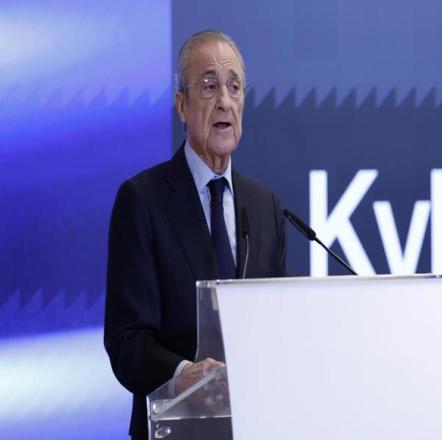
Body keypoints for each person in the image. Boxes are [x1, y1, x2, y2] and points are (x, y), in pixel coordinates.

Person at [104, 30, 287, 440]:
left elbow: (280, 328)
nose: (224, 100)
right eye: (208, 86)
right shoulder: (142, 200)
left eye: (234, 87)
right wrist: (183, 374)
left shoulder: (265, 206)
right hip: (175, 429)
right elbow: (126, 341)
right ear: (181, 105)